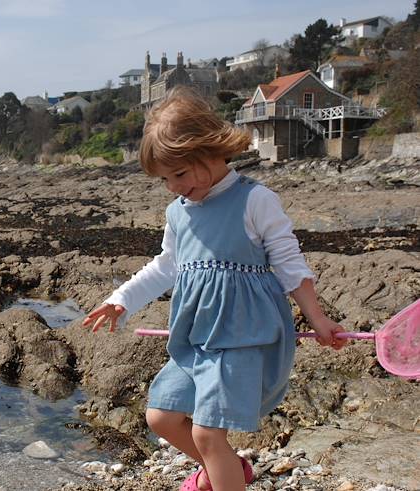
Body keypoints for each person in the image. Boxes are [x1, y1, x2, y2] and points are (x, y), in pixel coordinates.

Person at [83, 88, 346, 491]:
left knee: (208, 434)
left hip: (243, 335)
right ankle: (229, 469)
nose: (173, 186)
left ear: (210, 151)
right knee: (162, 417)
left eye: (180, 174)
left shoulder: (254, 200)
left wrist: (318, 318)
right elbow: (166, 266)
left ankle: (221, 470)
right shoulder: (179, 213)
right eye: (165, 179)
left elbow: (290, 265)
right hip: (198, 337)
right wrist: (121, 299)